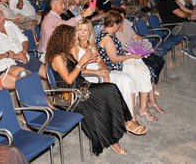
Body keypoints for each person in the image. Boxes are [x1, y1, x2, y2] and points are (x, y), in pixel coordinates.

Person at [46, 25, 133, 156]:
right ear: (64, 39)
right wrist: (80, 63)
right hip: (66, 94)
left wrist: (86, 63)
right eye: (72, 37)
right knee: (99, 101)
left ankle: (125, 121)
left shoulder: (66, 53)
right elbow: (69, 80)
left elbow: (77, 71)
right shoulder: (57, 57)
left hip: (80, 85)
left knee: (111, 88)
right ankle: (111, 140)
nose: (74, 39)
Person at [73, 19, 144, 131]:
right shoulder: (74, 47)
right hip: (88, 76)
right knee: (114, 86)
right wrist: (98, 72)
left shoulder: (90, 44)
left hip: (100, 72)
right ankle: (125, 120)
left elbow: (100, 60)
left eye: (85, 30)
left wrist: (104, 70)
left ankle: (131, 119)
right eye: (80, 29)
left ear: (89, 32)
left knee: (127, 80)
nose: (82, 33)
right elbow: (76, 70)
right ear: (77, 31)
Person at [96, 11, 164, 122]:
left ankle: (144, 107)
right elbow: (114, 58)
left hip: (120, 61)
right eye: (119, 24)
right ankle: (143, 108)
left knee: (146, 71)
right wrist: (131, 56)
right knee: (145, 72)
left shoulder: (108, 34)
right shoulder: (107, 38)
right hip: (114, 66)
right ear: (114, 24)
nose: (119, 27)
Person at [0, 8, 46, 79]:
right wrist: (18, 57)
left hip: (25, 56)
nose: (3, 17)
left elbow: (24, 39)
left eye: (2, 14)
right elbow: (0, 54)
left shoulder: (10, 24)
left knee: (48, 73)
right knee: (28, 79)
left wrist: (23, 52)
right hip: (11, 62)